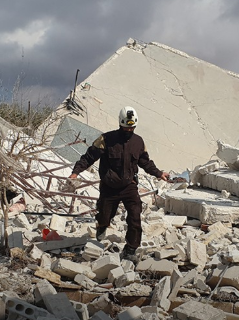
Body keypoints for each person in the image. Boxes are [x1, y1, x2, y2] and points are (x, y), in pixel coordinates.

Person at [69, 106, 169, 262]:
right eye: (126, 127)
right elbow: (89, 157)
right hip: (109, 187)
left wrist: (159, 173)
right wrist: (76, 172)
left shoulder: (138, 142)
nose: (129, 130)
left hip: (129, 186)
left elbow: (145, 162)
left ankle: (130, 250)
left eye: (132, 127)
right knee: (105, 215)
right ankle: (102, 225)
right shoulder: (106, 139)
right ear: (120, 123)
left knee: (135, 217)